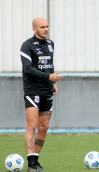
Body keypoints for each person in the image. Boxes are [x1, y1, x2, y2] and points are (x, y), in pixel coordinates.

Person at [20, 17, 63, 171]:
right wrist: (48, 77)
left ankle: (35, 160)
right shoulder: (27, 45)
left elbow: (49, 66)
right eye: (42, 27)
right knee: (32, 126)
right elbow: (28, 68)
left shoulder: (50, 44)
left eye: (47, 26)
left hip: (47, 90)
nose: (46, 29)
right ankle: (30, 163)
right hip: (32, 90)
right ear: (34, 29)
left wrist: (53, 83)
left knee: (43, 127)